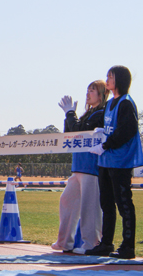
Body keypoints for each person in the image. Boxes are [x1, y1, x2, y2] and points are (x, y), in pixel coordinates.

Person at [86, 66, 143, 259]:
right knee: (107, 204)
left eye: (110, 76)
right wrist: (100, 131)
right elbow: (108, 126)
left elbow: (127, 130)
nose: (107, 79)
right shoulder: (110, 103)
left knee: (124, 204)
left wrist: (106, 144)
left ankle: (128, 247)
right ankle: (106, 243)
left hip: (120, 161)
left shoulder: (126, 103)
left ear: (119, 79)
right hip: (105, 160)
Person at [51, 80, 107, 254]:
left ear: (102, 95)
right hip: (78, 166)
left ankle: (91, 244)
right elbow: (69, 135)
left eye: (92, 90)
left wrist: (70, 113)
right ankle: (64, 242)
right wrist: (68, 115)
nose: (88, 94)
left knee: (90, 208)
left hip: (91, 167)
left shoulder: (101, 114)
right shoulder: (87, 114)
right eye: (88, 90)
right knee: (67, 201)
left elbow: (80, 131)